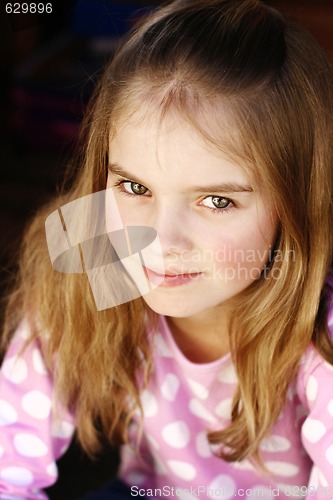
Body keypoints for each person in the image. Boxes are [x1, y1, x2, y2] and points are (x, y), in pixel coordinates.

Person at [1, 0, 333, 498]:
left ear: (297, 204)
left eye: (217, 200)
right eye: (135, 188)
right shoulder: (93, 256)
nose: (160, 241)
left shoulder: (320, 329)